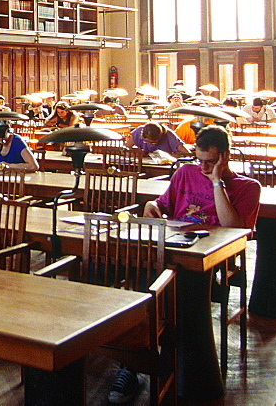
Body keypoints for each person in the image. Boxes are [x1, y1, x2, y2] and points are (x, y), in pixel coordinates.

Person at [109, 126, 261, 404]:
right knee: (127, 282)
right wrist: (151, 205)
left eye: (211, 162)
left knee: (161, 291)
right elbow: (164, 204)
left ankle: (152, 362)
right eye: (199, 160)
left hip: (212, 262)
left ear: (225, 157)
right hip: (173, 250)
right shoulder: (185, 172)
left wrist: (217, 182)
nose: (203, 167)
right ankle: (134, 361)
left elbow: (233, 228)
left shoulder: (248, 187)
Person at [125, 121, 191, 158]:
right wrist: (133, 154)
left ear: (160, 137)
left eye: (153, 142)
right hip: (145, 163)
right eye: (147, 141)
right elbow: (125, 148)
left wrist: (170, 156)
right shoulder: (138, 132)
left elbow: (187, 153)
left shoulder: (169, 135)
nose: (150, 144)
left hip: (164, 165)